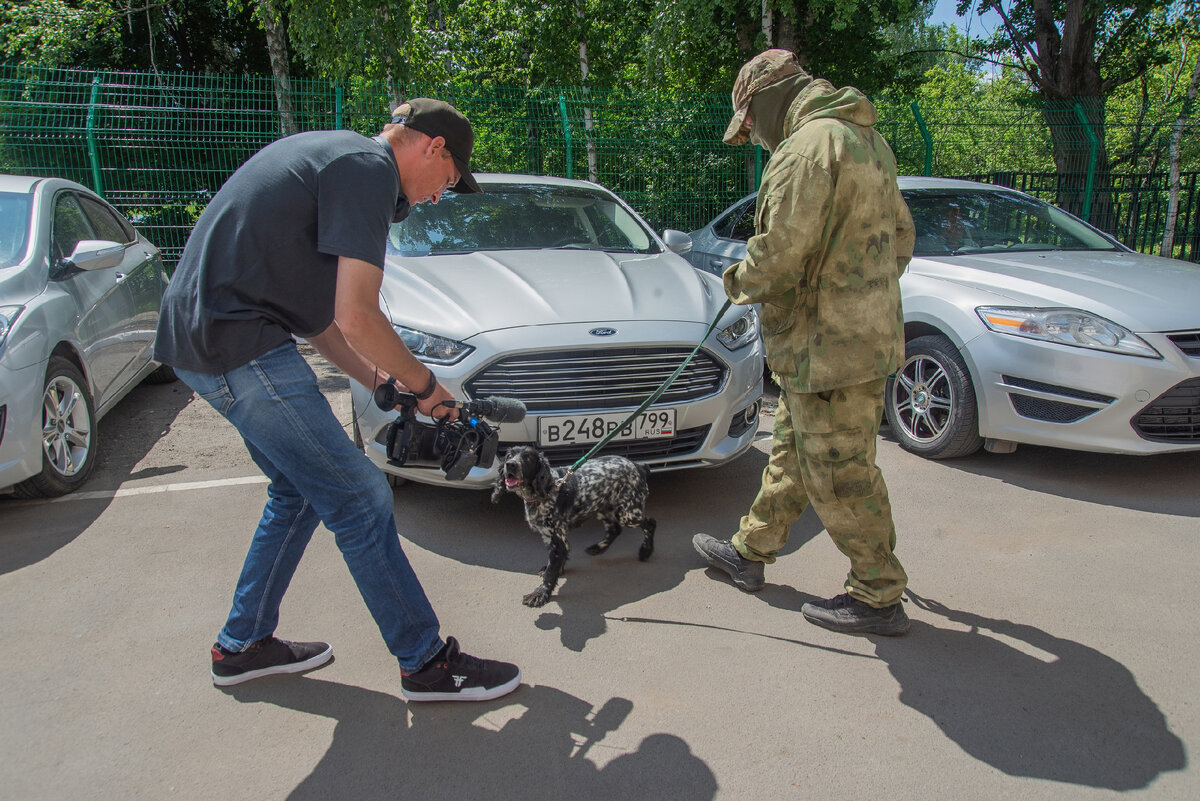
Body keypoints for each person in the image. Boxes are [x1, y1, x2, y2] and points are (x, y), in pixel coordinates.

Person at [155, 98, 522, 700]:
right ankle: (426, 663)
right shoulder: (368, 169)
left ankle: (242, 644)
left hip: (207, 338)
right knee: (358, 493)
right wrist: (431, 390)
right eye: (448, 181)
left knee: (300, 487)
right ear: (432, 147)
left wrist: (385, 382)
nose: (437, 198)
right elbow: (358, 313)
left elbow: (324, 323)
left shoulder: (338, 157)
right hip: (236, 341)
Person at [692, 50, 915, 636]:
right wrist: (859, 294)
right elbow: (902, 240)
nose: (757, 140)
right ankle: (750, 551)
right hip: (855, 341)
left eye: (751, 126)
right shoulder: (868, 141)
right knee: (792, 448)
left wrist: (739, 281)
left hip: (827, 350)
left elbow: (779, 255)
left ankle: (877, 593)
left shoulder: (805, 150)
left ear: (766, 102)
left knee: (840, 472)